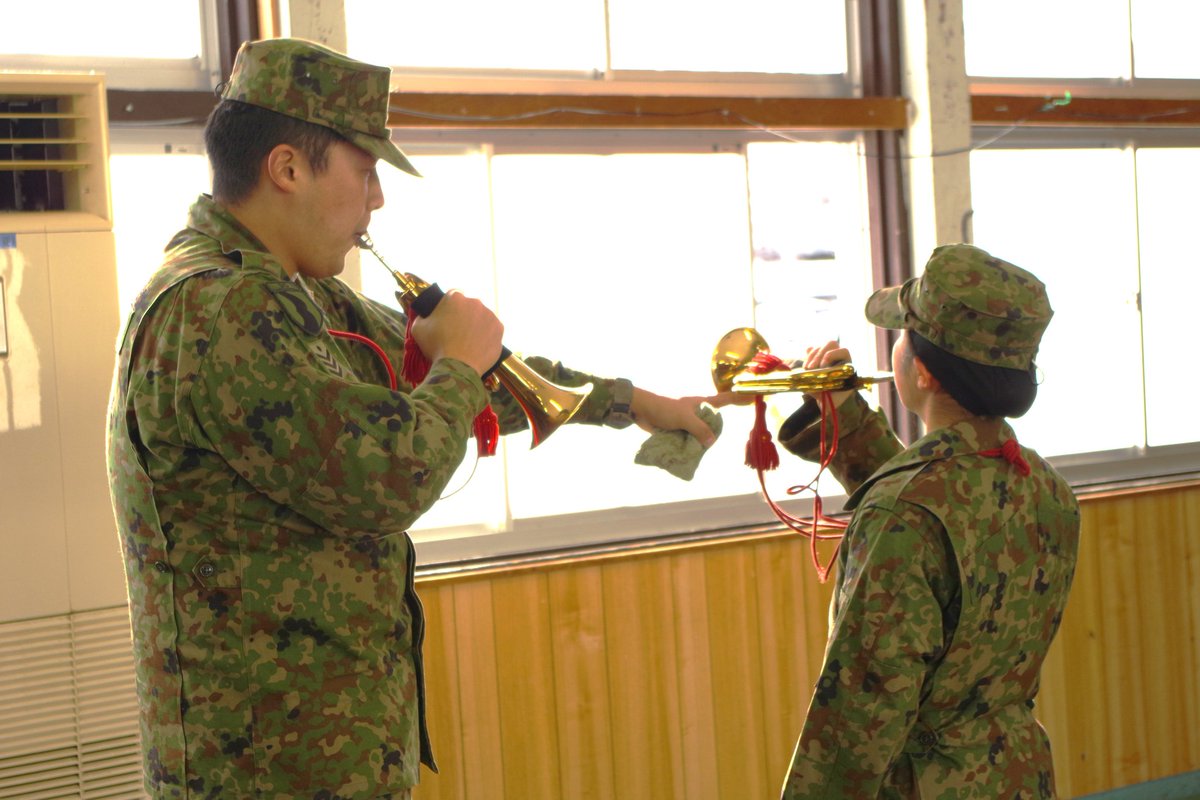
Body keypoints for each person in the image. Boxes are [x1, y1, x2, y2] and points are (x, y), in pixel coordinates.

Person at [105, 37, 716, 800]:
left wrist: (632, 404)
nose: (377, 201)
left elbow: (445, 381)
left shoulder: (291, 295)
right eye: (364, 171)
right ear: (288, 168)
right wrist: (458, 365)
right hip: (264, 768)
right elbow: (389, 476)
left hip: (319, 750)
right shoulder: (219, 308)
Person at [773, 244, 1080, 799]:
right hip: (1017, 775)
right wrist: (842, 417)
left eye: (902, 334)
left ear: (923, 372)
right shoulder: (1044, 486)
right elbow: (949, 510)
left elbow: (857, 719)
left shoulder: (904, 512)